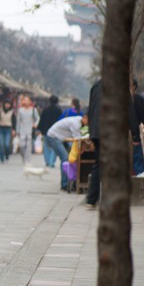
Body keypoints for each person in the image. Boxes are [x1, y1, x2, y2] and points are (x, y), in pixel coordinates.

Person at [46, 114, 87, 190]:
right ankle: (64, 184)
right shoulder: (76, 124)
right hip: (53, 137)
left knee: (70, 157)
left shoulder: (79, 121)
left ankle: (71, 182)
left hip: (61, 138)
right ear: (85, 118)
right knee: (65, 158)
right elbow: (78, 139)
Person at [85, 79, 102, 208]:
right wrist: (135, 133)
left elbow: (91, 109)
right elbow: (129, 109)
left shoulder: (95, 85)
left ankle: (91, 199)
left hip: (96, 131)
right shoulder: (119, 84)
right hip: (111, 132)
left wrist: (91, 132)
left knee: (98, 163)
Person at [130, 79, 144, 175]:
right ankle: (140, 183)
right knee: (138, 162)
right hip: (133, 134)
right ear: (134, 87)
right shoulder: (136, 99)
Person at [38, 95, 63, 168]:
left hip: (45, 131)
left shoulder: (45, 110)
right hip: (56, 132)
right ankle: (52, 162)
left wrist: (40, 129)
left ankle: (47, 161)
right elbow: (60, 121)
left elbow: (41, 120)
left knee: (46, 146)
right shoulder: (59, 110)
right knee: (54, 147)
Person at [14, 95, 40, 165]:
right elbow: (18, 121)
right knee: (22, 145)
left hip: (30, 129)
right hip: (22, 129)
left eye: (27, 100)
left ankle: (27, 160)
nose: (25, 101)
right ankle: (23, 156)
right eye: (24, 100)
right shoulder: (20, 110)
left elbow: (37, 118)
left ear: (30, 101)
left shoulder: (33, 110)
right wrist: (17, 131)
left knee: (29, 146)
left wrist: (35, 124)